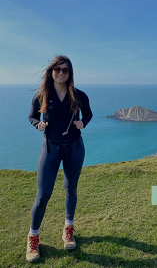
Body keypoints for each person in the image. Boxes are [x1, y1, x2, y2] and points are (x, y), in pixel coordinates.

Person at [26, 56, 93, 263]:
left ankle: (68, 230)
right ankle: (33, 238)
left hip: (75, 149)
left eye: (65, 70)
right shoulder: (42, 96)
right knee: (43, 195)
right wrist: (37, 124)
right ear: (51, 71)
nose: (61, 73)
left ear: (70, 73)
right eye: (57, 69)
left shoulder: (79, 95)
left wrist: (83, 123)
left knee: (71, 190)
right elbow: (31, 116)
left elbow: (88, 115)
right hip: (50, 150)